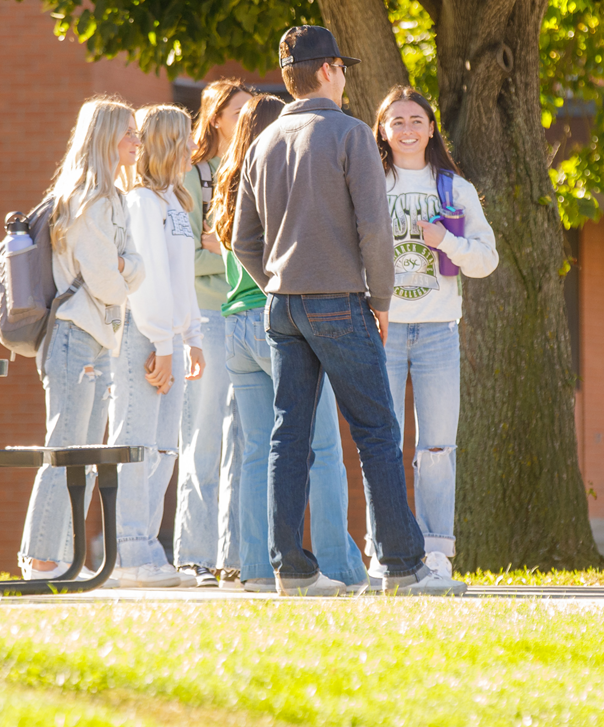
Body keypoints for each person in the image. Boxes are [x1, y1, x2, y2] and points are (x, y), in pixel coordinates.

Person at [232, 25, 464, 597]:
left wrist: (280, 284)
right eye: (343, 68)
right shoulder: (351, 133)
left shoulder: (262, 142)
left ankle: (291, 569)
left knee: (289, 436)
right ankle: (406, 568)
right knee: (379, 432)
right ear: (331, 69)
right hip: (340, 301)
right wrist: (380, 301)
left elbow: (243, 241)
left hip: (282, 307)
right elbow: (373, 228)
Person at [210, 93, 369, 592]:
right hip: (279, 317)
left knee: (260, 453)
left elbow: (238, 244)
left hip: (234, 323)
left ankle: (257, 568)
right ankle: (338, 567)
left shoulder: (231, 177)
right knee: (321, 448)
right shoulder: (281, 173)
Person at [365, 86, 497, 582]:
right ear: (382, 129)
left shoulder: (453, 188)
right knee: (383, 444)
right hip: (382, 329)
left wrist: (448, 241)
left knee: (438, 448)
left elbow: (486, 260)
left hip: (439, 330)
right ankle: (386, 549)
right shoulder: (370, 180)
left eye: (416, 119)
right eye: (396, 120)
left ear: (431, 128)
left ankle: (436, 552)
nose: (406, 129)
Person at [17, 96, 146, 580]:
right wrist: (123, 268)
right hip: (74, 335)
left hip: (99, 337)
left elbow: (135, 267)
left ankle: (64, 559)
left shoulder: (113, 198)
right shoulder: (87, 200)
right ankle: (41, 559)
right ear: (104, 138)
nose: (137, 140)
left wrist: (124, 267)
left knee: (88, 457)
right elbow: (111, 282)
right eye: (128, 132)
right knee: (67, 449)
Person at [108, 104, 206, 588]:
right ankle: (129, 552)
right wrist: (165, 343)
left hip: (169, 338)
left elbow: (180, 280)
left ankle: (148, 546)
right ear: (166, 142)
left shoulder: (175, 202)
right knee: (137, 444)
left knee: (165, 449)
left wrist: (192, 337)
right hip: (144, 337)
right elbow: (146, 282)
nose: (192, 146)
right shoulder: (141, 202)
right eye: (185, 138)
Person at [173, 79, 256, 587]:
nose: (247, 118)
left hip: (251, 314)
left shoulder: (259, 171)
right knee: (202, 438)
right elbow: (185, 254)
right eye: (238, 110)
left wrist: (221, 248)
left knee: (245, 438)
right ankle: (194, 555)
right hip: (207, 319)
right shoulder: (192, 175)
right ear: (216, 116)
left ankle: (235, 556)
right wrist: (229, 254)